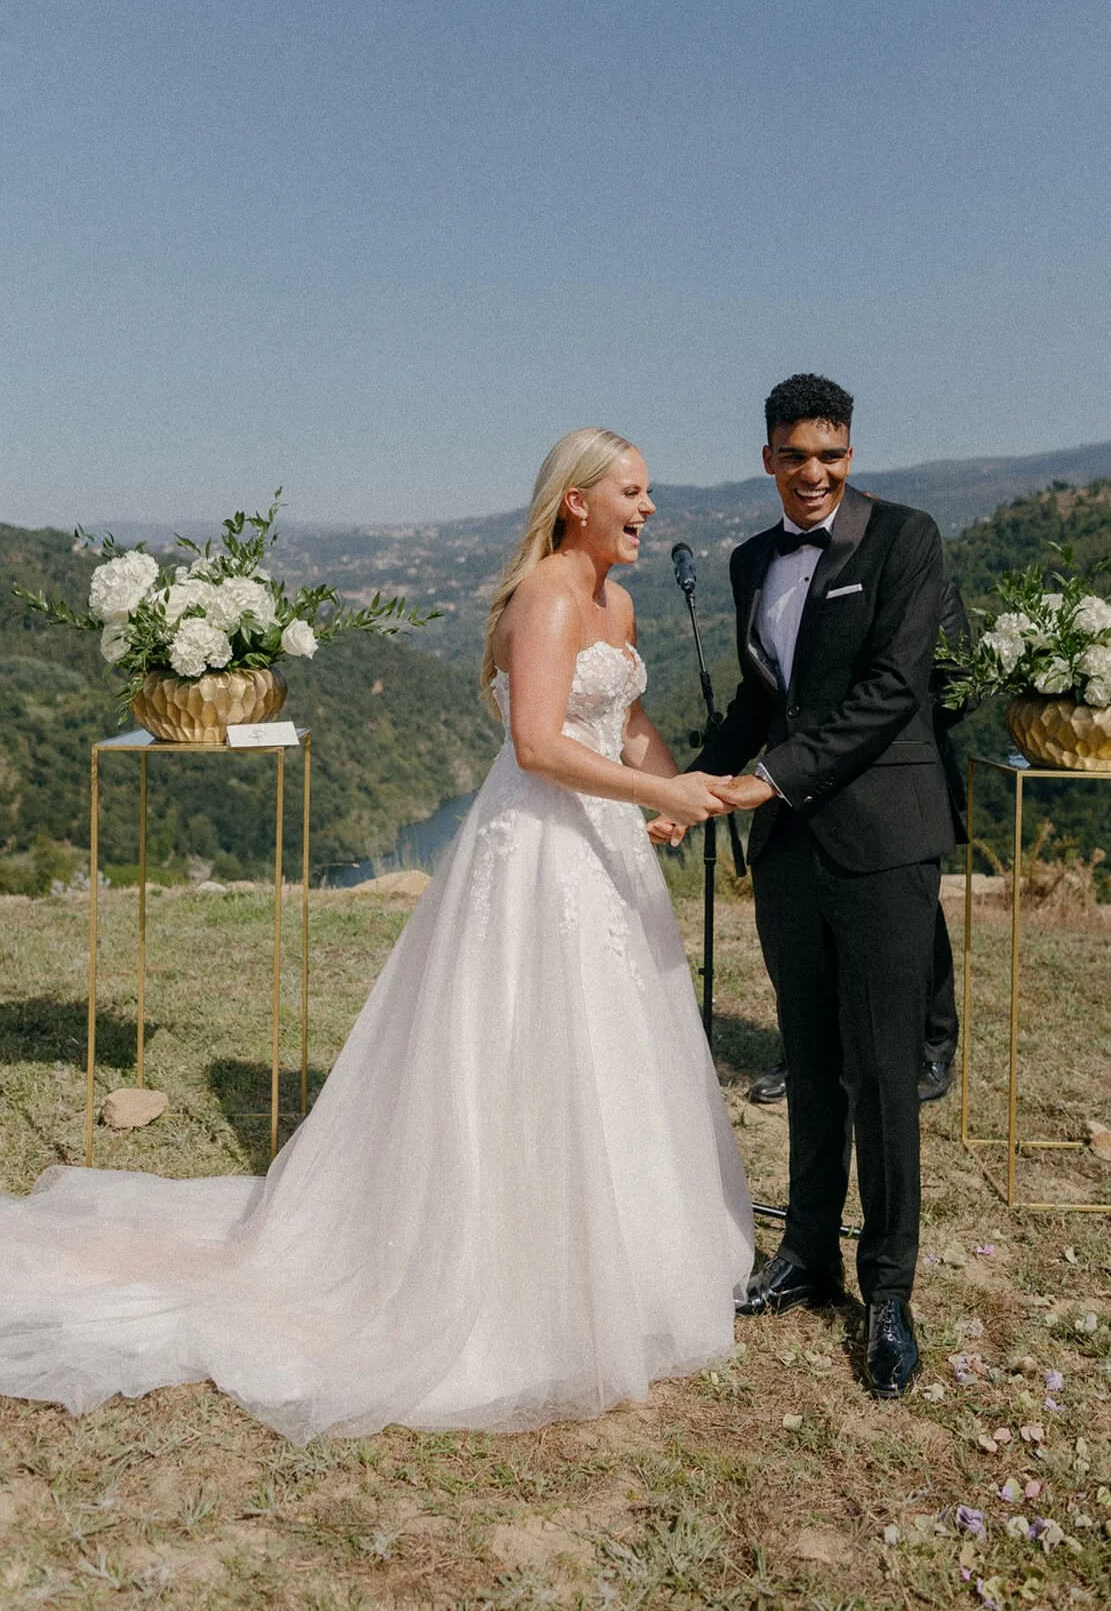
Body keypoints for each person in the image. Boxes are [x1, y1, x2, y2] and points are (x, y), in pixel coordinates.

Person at [0, 430, 754, 1442]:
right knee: (524, 1039)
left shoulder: (614, 603)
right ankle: (504, 1274)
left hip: (603, 845)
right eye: (632, 491)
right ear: (576, 502)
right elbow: (537, 745)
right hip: (539, 848)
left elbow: (628, 724)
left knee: (615, 1043)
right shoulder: (541, 598)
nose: (648, 507)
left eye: (648, 491)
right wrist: (652, 793)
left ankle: (623, 1264)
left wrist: (679, 785)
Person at [697, 374, 957, 1399]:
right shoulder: (747, 561)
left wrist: (770, 778)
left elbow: (894, 691)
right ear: (767, 457)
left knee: (882, 1070)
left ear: (851, 453)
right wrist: (687, 787)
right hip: (789, 849)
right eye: (796, 456)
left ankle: (887, 1290)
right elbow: (761, 701)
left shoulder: (905, 540)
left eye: (832, 455)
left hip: (885, 841)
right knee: (808, 1059)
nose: (815, 474)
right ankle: (806, 1253)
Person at [749, 576, 974, 1109]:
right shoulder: (785, 575)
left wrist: (887, 732)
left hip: (893, 787)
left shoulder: (919, 569)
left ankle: (931, 1046)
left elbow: (961, 685)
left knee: (916, 925)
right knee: (809, 929)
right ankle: (807, 1053)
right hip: (804, 778)